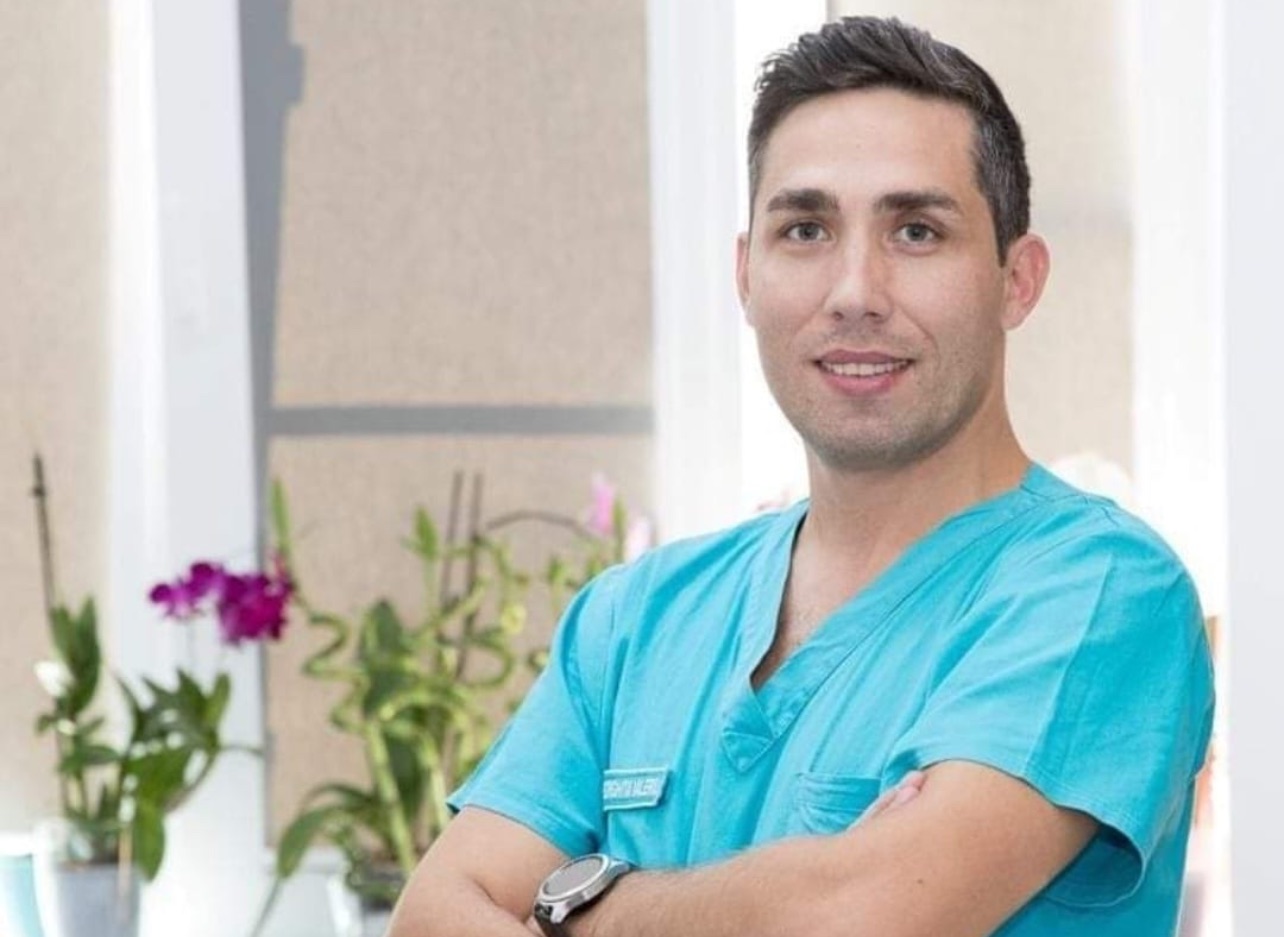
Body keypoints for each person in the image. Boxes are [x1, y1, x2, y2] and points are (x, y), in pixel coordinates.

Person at [389, 15, 1214, 937]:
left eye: (916, 230)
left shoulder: (1098, 592)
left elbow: (855, 920)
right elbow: (430, 917)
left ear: (1016, 279)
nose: (855, 291)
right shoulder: (632, 622)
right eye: (807, 228)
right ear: (746, 274)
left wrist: (574, 906)